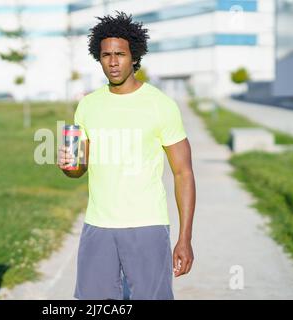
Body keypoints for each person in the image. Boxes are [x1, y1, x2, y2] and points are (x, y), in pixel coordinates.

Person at [57, 11, 195, 300]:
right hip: (98, 226)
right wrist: (68, 166)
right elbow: (78, 170)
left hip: (146, 226)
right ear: (99, 57)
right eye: (106, 55)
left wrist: (185, 238)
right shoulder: (87, 106)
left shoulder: (161, 105)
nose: (113, 61)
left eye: (120, 53)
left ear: (135, 56)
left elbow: (183, 173)